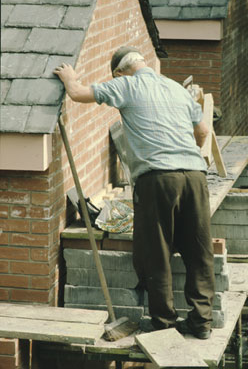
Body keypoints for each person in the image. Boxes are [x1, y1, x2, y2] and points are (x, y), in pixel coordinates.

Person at [54, 46, 215, 340]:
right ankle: (201, 323)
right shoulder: (177, 89)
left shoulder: (125, 84)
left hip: (157, 180)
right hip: (195, 176)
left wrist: (69, 76)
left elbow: (78, 94)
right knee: (199, 250)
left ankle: (164, 321)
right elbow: (203, 132)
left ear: (118, 71)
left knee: (157, 250)